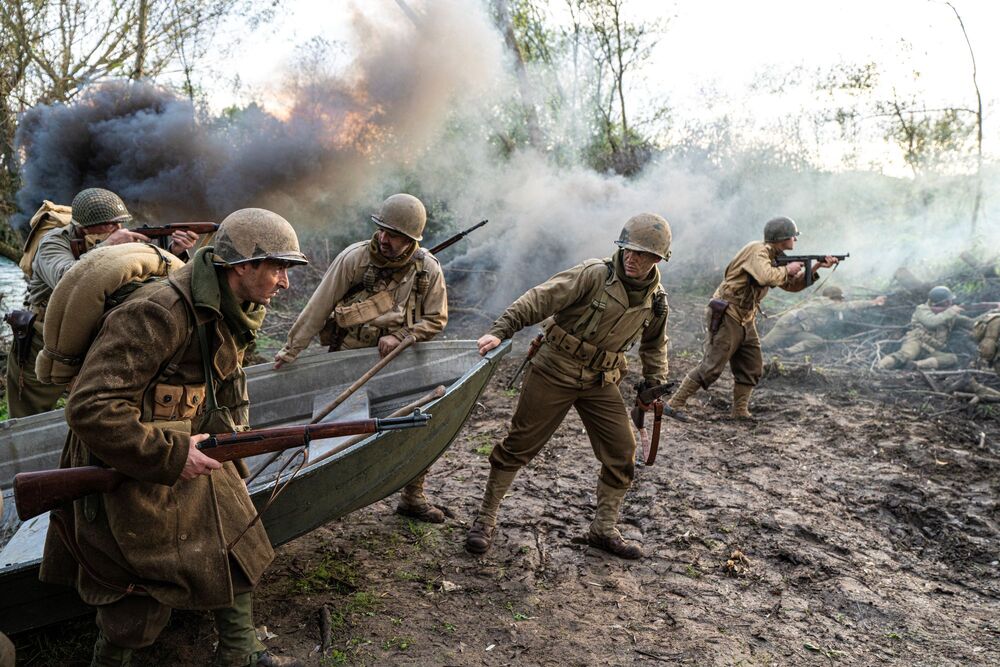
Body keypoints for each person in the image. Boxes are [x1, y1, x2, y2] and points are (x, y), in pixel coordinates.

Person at [38, 208, 307, 667]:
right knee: (138, 592)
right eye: (278, 267)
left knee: (237, 538)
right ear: (242, 266)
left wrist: (235, 460)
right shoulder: (157, 312)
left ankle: (239, 652)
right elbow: (90, 408)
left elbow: (220, 391)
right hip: (128, 456)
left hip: (189, 445)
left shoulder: (228, 309)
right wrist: (171, 455)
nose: (284, 282)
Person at [466, 214, 671, 560]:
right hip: (555, 368)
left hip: (601, 380)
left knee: (623, 451)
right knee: (519, 444)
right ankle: (485, 519)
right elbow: (540, 298)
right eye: (628, 251)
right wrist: (501, 329)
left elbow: (655, 345)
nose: (632, 259)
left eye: (642, 254)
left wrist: (653, 385)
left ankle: (603, 529)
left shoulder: (657, 300)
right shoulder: (594, 274)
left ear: (657, 259)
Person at [273, 193, 448, 522]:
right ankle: (322, 501)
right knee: (338, 430)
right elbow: (319, 307)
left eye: (394, 235)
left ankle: (413, 496)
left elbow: (436, 318)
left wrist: (403, 336)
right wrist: (291, 350)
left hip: (401, 361)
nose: (384, 239)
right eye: (381, 230)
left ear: (411, 240)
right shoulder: (354, 260)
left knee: (416, 425)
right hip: (349, 354)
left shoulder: (427, 269)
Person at [5, 187, 197, 418]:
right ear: (85, 227)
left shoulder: (115, 243)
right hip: (45, 333)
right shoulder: (52, 244)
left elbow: (145, 279)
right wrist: (107, 248)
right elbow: (69, 280)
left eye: (120, 223)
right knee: (29, 411)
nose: (118, 229)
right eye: (110, 225)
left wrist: (174, 252)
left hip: (95, 330)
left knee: (97, 402)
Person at [666, 216, 838, 418]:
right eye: (793, 236)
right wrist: (787, 269)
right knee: (712, 366)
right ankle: (674, 403)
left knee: (751, 365)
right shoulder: (757, 251)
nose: (795, 240)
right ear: (782, 237)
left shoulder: (774, 256)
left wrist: (816, 266)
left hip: (746, 316)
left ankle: (739, 411)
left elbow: (792, 286)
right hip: (728, 313)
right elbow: (765, 277)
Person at [761, 286, 886, 355]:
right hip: (788, 325)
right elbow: (848, 305)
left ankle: (787, 351)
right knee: (764, 345)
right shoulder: (825, 302)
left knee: (816, 340)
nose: (840, 301)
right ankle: (742, 347)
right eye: (838, 299)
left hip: (798, 329)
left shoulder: (827, 307)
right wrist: (873, 302)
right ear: (832, 298)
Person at [877, 285, 975, 370]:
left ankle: (917, 365)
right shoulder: (922, 309)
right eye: (949, 301)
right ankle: (879, 367)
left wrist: (987, 317)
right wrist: (950, 312)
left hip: (930, 348)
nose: (951, 302)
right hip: (916, 341)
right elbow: (932, 322)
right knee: (906, 355)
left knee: (951, 358)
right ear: (945, 303)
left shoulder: (949, 314)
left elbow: (971, 323)